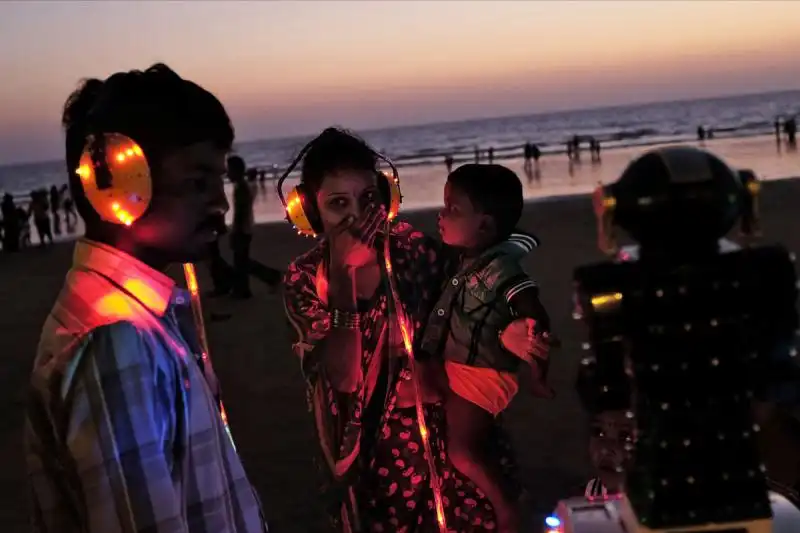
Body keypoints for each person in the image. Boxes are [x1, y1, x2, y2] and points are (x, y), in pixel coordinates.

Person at [25, 64, 266, 532]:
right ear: (112, 180)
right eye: (198, 182)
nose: (220, 202)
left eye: (219, 180)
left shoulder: (138, 318)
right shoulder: (114, 344)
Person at [282, 128, 542, 532]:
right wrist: (343, 285)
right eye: (337, 204)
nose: (356, 216)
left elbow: (473, 313)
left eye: (368, 199)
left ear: (385, 198)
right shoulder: (304, 278)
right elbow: (341, 377)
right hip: (377, 463)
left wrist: (509, 332)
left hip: (451, 434)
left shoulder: (418, 251)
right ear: (312, 211)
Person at [419, 164, 554, 532]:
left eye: (453, 209)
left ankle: (504, 507)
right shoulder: (464, 262)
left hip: (483, 373)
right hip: (463, 364)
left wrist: (537, 365)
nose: (441, 215)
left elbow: (531, 308)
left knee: (461, 450)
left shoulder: (500, 269)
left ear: (485, 226)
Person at [228, 155, 255, 299]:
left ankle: (242, 291)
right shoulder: (242, 186)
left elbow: (240, 212)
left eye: (230, 170)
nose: (228, 174)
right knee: (241, 260)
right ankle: (242, 289)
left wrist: (235, 231)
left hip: (243, 229)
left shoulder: (241, 188)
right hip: (246, 227)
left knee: (240, 261)